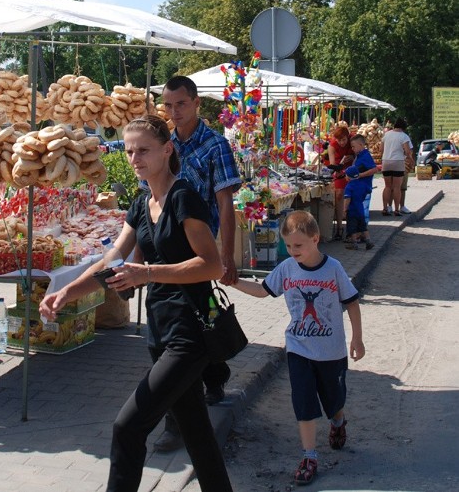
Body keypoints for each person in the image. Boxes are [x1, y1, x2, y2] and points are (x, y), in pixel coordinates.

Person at [40, 115, 233, 492]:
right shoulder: (143, 201)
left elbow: (211, 265)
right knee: (197, 434)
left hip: (190, 333)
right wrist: (67, 291)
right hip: (160, 331)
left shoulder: (184, 197)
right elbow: (111, 258)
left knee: (128, 426)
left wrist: (148, 273)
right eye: (129, 151)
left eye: (143, 150)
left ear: (167, 150)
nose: (134, 158)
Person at [230, 210, 364, 486]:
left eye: (298, 246)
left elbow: (351, 302)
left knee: (333, 400)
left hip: (331, 351)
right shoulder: (287, 268)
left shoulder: (334, 268)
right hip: (298, 348)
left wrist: (357, 339)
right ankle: (309, 455)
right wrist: (234, 282)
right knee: (303, 401)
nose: (293, 251)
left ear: (315, 239)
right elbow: (263, 291)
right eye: (288, 246)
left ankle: (338, 422)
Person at [154, 75, 241, 452]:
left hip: (201, 253)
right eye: (168, 105)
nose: (175, 112)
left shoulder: (215, 145)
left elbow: (225, 202)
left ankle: (215, 373)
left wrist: (227, 256)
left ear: (196, 103)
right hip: (167, 251)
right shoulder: (165, 143)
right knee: (178, 331)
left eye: (181, 104)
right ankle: (180, 411)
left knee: (205, 316)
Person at [342, 135, 377, 250]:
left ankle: (355, 238)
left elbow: (374, 169)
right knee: (361, 215)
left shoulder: (365, 156)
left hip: (363, 188)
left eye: (353, 146)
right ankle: (363, 237)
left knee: (357, 217)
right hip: (361, 188)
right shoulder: (359, 156)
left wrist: (359, 175)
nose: (352, 149)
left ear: (361, 145)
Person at [381, 118, 414, 216]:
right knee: (397, 187)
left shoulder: (386, 135)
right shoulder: (404, 136)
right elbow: (408, 152)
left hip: (386, 162)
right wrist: (411, 161)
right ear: (404, 128)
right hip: (398, 162)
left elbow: (381, 149)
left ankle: (385, 208)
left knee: (387, 186)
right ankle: (396, 209)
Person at [326, 125, 354, 240]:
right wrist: (339, 167)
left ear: (347, 137)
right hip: (339, 171)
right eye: (339, 140)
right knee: (339, 194)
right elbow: (333, 164)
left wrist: (352, 157)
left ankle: (352, 228)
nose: (341, 142)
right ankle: (339, 226)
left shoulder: (353, 139)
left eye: (343, 140)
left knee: (352, 197)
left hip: (352, 170)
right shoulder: (332, 146)